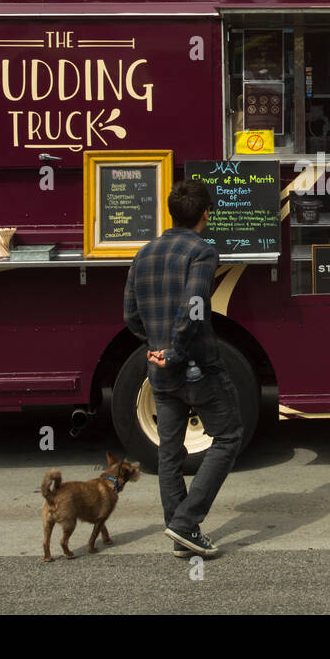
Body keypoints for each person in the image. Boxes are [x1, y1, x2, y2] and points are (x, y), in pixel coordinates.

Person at [123, 180, 242, 558]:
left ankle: (180, 532)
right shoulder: (202, 251)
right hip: (199, 366)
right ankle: (185, 523)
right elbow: (194, 307)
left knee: (169, 451)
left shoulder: (143, 253)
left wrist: (156, 348)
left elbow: (130, 315)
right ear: (206, 212)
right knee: (228, 436)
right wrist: (174, 350)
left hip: (161, 369)